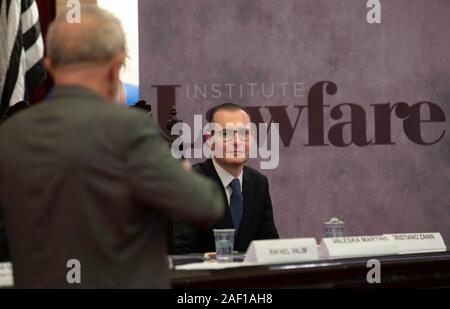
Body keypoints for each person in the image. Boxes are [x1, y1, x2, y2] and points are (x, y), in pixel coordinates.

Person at [0, 6, 224, 288]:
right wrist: (181, 173)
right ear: (116, 66)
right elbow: (208, 206)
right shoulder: (128, 130)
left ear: (48, 67)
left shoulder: (9, 135)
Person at [173, 103, 279, 254]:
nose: (236, 142)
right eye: (226, 134)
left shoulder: (259, 183)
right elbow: (180, 252)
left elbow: (269, 246)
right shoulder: (190, 183)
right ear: (209, 140)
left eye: (244, 133)